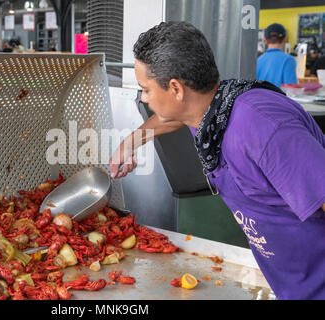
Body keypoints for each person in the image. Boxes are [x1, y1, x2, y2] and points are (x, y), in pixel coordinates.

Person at [109, 21, 325, 300]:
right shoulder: (211, 111)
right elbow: (170, 119)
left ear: (176, 89)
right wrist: (130, 143)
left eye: (146, 89)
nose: (145, 98)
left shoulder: (265, 128)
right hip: (292, 287)